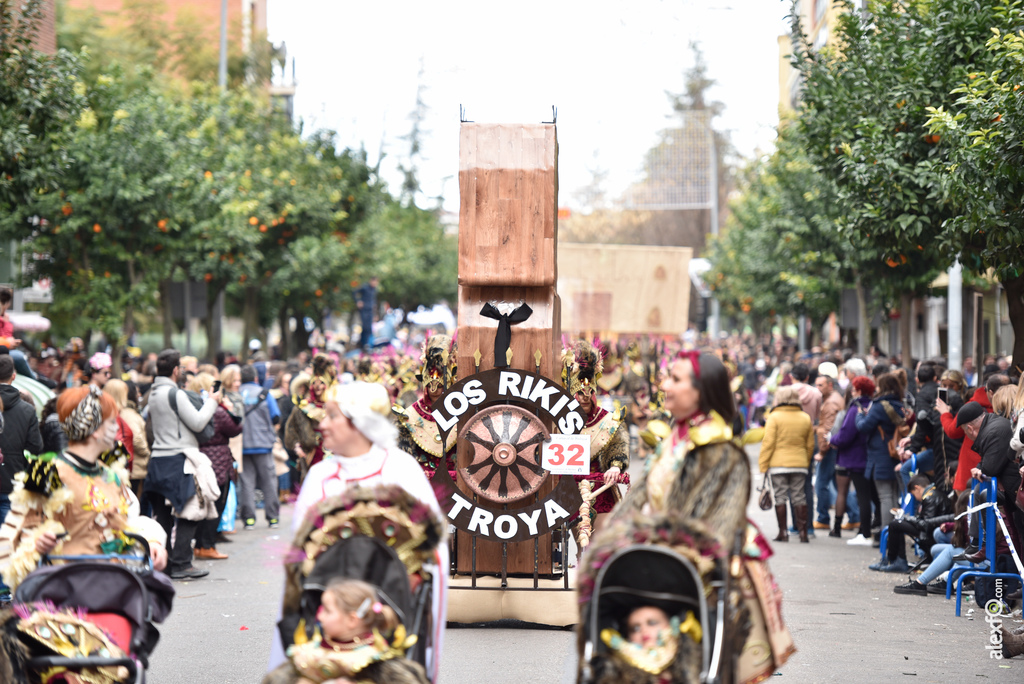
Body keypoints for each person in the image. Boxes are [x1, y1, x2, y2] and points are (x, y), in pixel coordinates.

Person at [590, 351, 794, 683]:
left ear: (701, 391)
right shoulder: (674, 437)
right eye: (667, 377)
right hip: (660, 559)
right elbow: (639, 495)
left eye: (675, 379)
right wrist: (610, 540)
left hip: (699, 569)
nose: (664, 384)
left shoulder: (721, 449)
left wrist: (656, 547)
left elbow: (715, 529)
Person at [274, 381, 447, 682]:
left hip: (389, 612)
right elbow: (300, 556)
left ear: (359, 423)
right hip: (326, 612)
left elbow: (432, 553)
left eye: (331, 415)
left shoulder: (402, 470)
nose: (321, 424)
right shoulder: (320, 476)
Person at [0, 386, 168, 591]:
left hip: (113, 589)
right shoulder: (47, 471)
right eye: (112, 422)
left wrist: (151, 542)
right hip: (66, 597)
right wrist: (36, 543)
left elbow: (128, 522)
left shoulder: (111, 473)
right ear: (96, 430)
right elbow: (12, 539)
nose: (117, 429)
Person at [144, 348, 220, 580]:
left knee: (163, 515)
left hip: (157, 459)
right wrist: (212, 402)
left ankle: (165, 563)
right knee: (190, 510)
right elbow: (197, 423)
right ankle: (181, 563)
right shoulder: (175, 394)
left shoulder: (152, 394)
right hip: (177, 459)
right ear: (176, 370)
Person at [264, 578, 429, 684]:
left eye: (327, 611)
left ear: (352, 620)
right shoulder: (304, 658)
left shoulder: (382, 666)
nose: (319, 616)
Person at [561, 340, 628, 526]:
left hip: (600, 491)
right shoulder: (557, 422)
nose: (585, 398)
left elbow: (618, 446)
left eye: (589, 393)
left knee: (597, 546)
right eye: (580, 394)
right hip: (568, 492)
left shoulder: (607, 420)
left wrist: (615, 466)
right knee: (580, 549)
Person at [189, 372, 243, 560]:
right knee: (216, 503)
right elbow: (236, 428)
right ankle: (207, 545)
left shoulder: (194, 408)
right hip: (218, 458)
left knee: (204, 502)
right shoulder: (217, 411)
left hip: (201, 457)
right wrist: (230, 409)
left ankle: (200, 545)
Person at [392, 336, 458, 476]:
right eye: (430, 385)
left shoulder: (462, 411)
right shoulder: (410, 415)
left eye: (439, 385)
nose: (434, 390)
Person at [759, 387, 814, 543]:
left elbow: (768, 443)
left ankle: (783, 532)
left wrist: (763, 465)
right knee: (799, 496)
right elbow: (810, 444)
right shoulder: (805, 417)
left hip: (778, 464)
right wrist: (805, 460)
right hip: (800, 463)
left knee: (780, 496)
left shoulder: (774, 417)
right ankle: (803, 533)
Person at [855, 372, 906, 533]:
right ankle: (896, 531)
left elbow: (863, 427)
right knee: (893, 495)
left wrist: (859, 415)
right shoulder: (899, 404)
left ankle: (887, 534)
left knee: (885, 496)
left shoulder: (879, 406)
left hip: (881, 454)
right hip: (895, 453)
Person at [869, 475, 952, 573]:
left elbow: (925, 524)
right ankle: (894, 560)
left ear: (917, 488)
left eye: (913, 494)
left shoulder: (930, 497)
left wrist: (906, 518)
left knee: (895, 525)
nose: (916, 498)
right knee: (897, 524)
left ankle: (893, 560)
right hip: (932, 529)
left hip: (931, 532)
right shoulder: (933, 494)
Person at [938, 373, 998, 493]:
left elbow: (952, 431)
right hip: (995, 466)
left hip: (970, 466)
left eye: (951, 386)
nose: (948, 389)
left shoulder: (971, 406)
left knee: (967, 505)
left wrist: (944, 413)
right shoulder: (1005, 406)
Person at [833, 376, 875, 545]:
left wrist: (831, 440)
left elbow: (846, 435)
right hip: (869, 457)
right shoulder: (873, 406)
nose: (851, 392)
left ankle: (865, 533)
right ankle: (868, 530)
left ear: (858, 391)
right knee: (871, 496)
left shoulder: (855, 409)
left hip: (856, 459)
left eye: (854, 389)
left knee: (863, 496)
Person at [239, 364, 281, 529]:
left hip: (243, 444)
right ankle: (273, 518)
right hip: (263, 443)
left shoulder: (236, 394)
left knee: (247, 483)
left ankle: (249, 519)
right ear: (256, 378)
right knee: (269, 481)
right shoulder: (265, 394)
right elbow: (276, 416)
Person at [812, 362, 849, 532]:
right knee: (838, 484)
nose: (817, 388)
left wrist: (822, 451)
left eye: (821, 385)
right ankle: (855, 516)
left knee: (821, 483)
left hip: (829, 449)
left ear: (830, 385)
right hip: (834, 448)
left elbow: (827, 430)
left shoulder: (831, 403)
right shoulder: (831, 400)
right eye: (816, 385)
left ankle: (823, 518)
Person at [353, 276, 379, 350]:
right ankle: (363, 344)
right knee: (365, 327)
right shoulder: (364, 287)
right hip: (364, 310)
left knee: (369, 328)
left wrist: (375, 313)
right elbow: (354, 292)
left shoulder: (374, 290)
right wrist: (358, 301)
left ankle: (366, 344)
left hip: (370, 311)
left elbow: (374, 301)